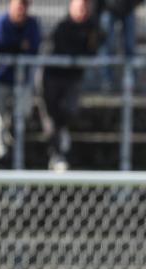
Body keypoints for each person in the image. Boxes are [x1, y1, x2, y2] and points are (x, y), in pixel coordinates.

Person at [41, 0, 100, 171]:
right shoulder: (63, 27)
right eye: (79, 6)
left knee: (69, 112)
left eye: (85, 6)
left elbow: (93, 50)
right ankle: (56, 154)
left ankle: (61, 150)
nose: (83, 10)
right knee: (52, 119)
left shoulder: (92, 28)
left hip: (72, 79)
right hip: (52, 78)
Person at [0, 0, 41, 166]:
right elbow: (2, 42)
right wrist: (20, 46)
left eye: (24, 5)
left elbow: (34, 48)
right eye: (18, 4)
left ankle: (16, 154)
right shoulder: (0, 22)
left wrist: (17, 47)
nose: (21, 9)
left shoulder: (32, 24)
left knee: (21, 116)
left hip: (21, 80)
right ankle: (0, 156)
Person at [98, 0, 143, 91]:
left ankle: (131, 81)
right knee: (107, 46)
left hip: (128, 8)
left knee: (129, 46)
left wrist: (134, 3)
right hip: (108, 8)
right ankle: (107, 80)